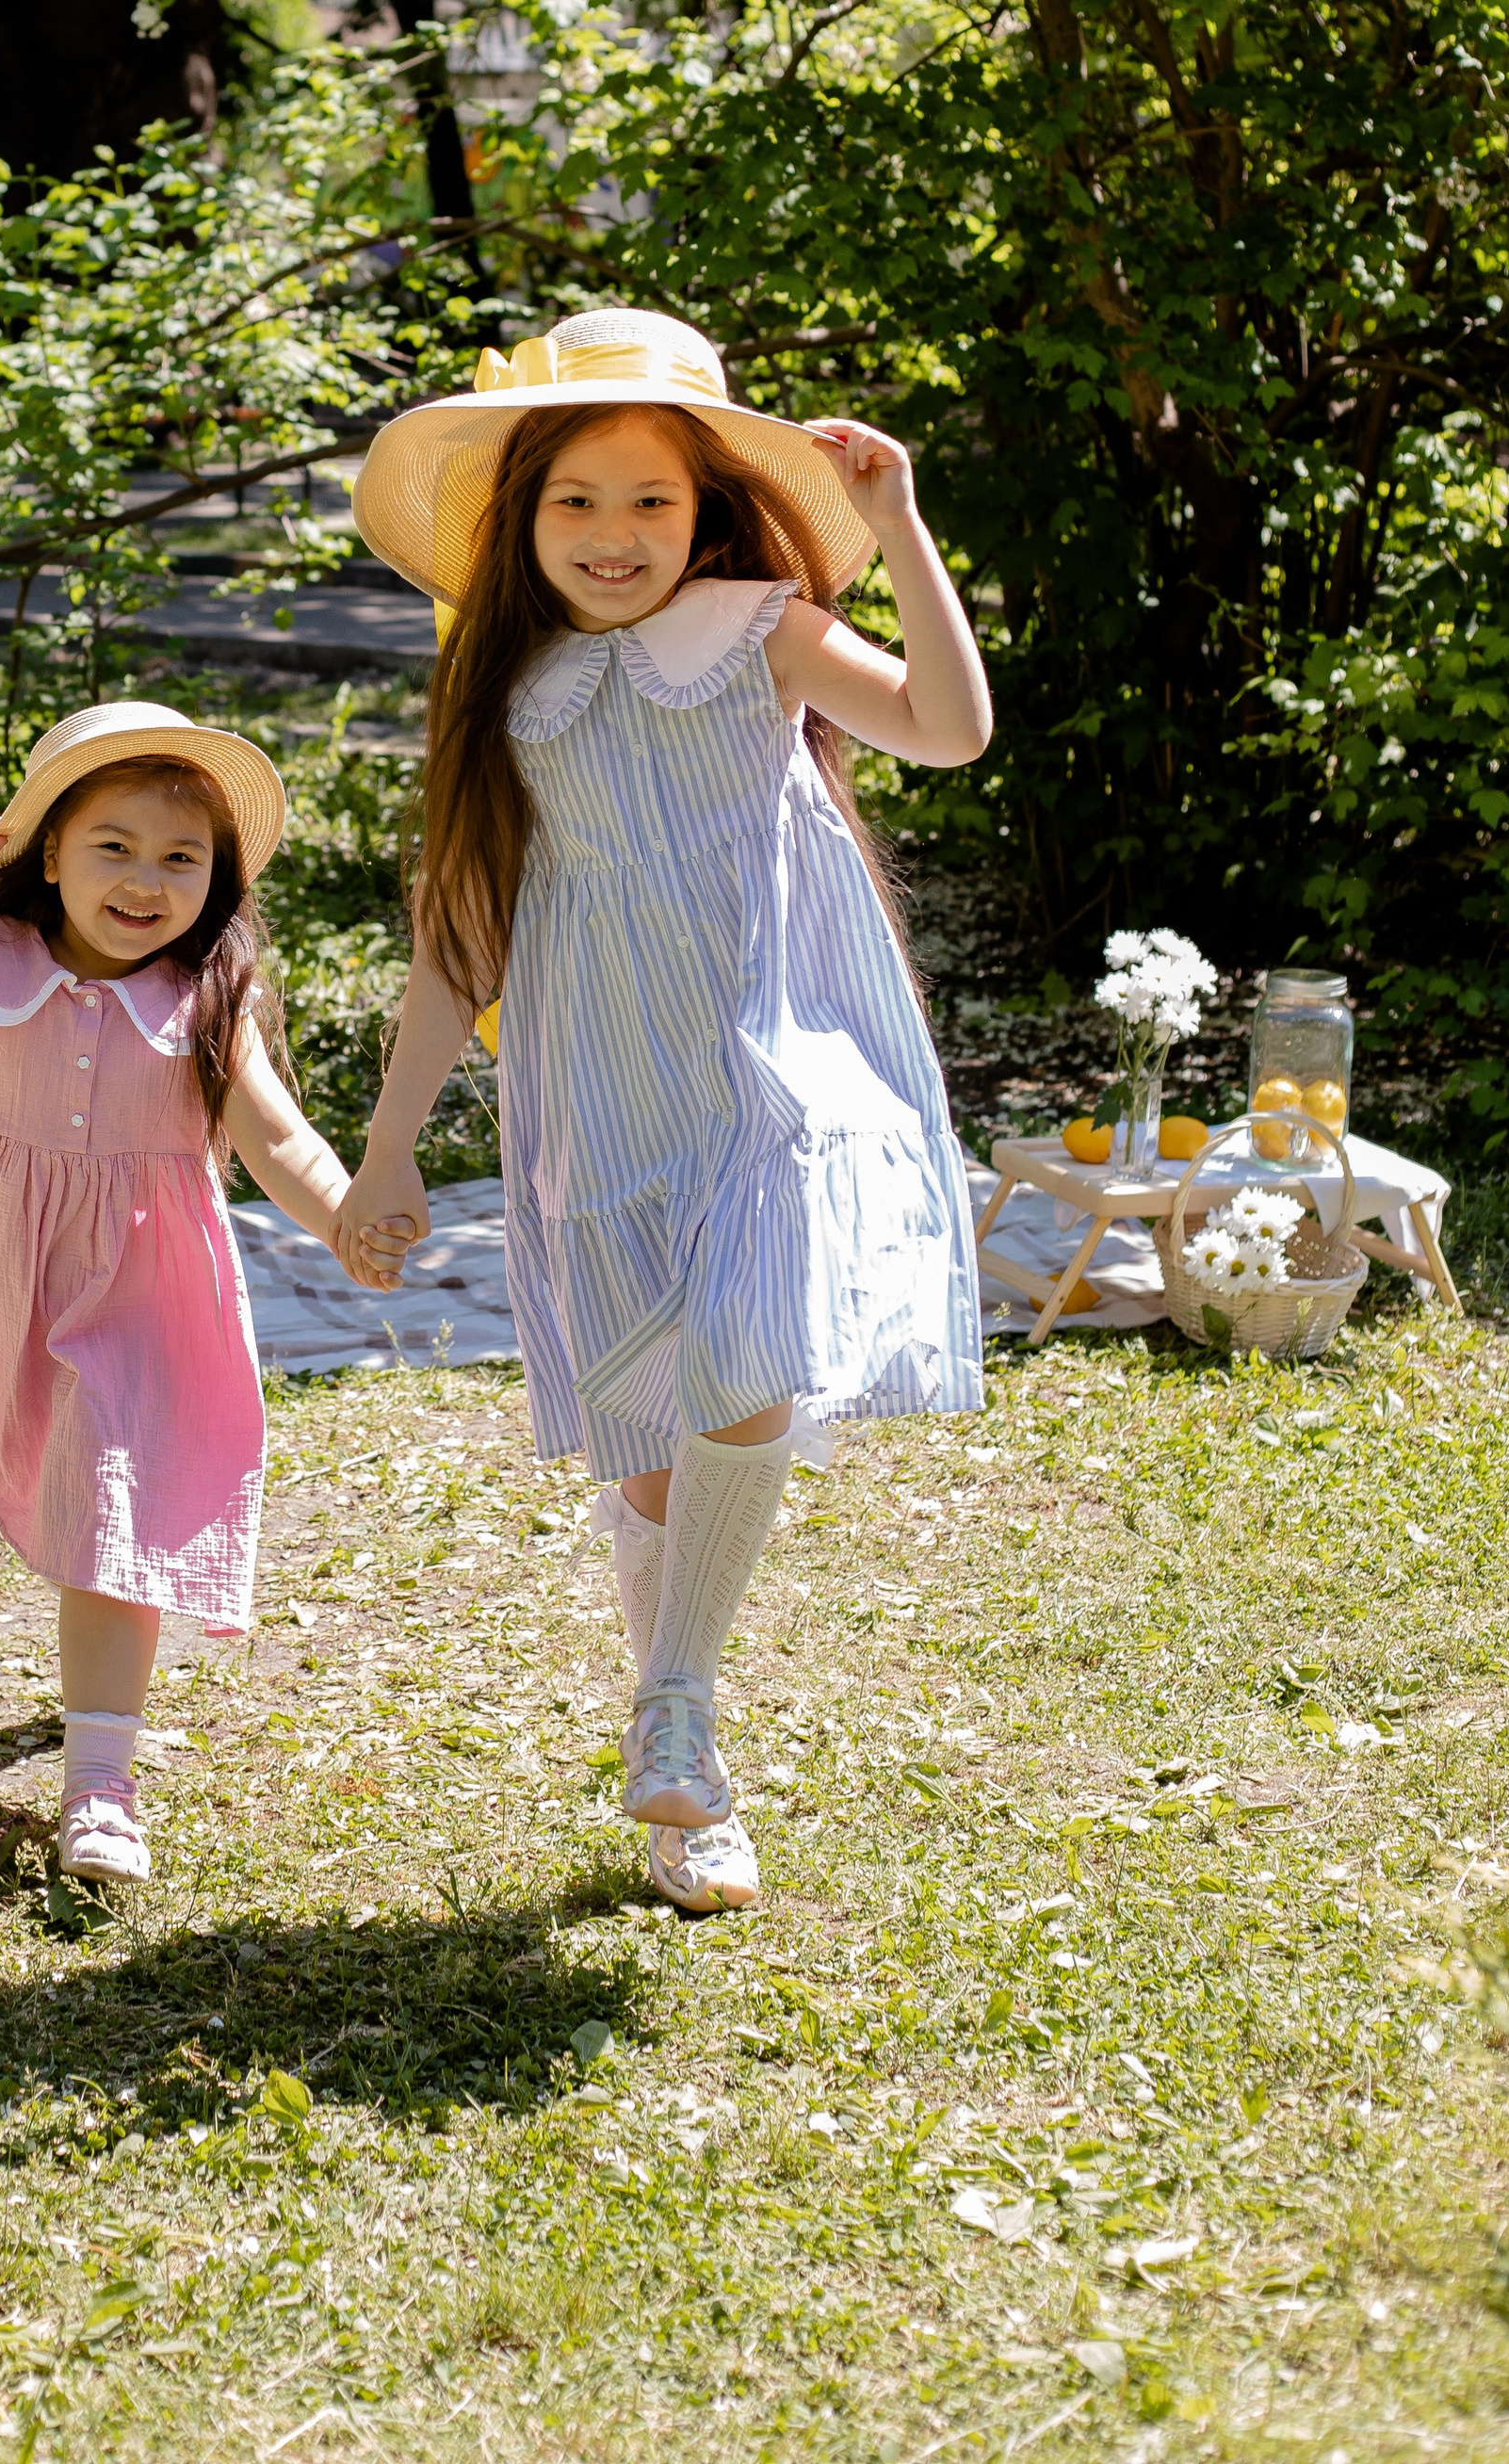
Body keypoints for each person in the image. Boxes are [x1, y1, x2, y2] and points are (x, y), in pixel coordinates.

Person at [336, 309, 993, 1916]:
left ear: (707, 513)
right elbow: (459, 935)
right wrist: (390, 1142)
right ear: (521, 520)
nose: (613, 532)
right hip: (601, 1079)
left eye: (650, 499)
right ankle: (683, 1791)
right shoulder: (512, 690)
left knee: (753, 1351)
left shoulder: (766, 631)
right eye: (575, 499)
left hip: (777, 1050)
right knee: (647, 1448)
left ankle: (678, 1701)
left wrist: (901, 526)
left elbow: (949, 728)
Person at [0, 701, 385, 1886]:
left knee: (113, 1516)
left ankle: (99, 1786)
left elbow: (276, 1137)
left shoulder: (205, 994)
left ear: (217, 880)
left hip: (139, 1287)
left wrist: (343, 1213)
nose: (145, 880)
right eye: (113, 847)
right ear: (47, 856)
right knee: (53, 1479)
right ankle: (89, 1740)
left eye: (181, 857)